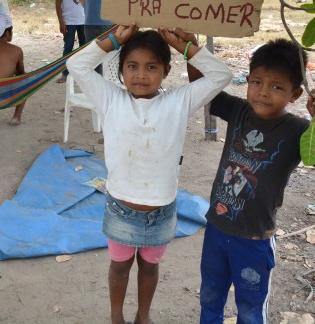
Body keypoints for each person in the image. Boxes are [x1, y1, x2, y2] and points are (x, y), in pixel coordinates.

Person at [67, 25, 232, 324]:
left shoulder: (178, 102)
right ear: (120, 71)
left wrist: (185, 47)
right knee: (119, 267)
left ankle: (143, 316)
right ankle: (116, 317)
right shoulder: (111, 99)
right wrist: (114, 39)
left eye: (151, 67)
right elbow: (75, 64)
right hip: (120, 208)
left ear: (166, 71)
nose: (140, 74)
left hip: (162, 211)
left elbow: (221, 75)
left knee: (150, 268)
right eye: (132, 66)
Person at [188, 37, 315, 323]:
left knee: (250, 309)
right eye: (257, 82)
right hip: (216, 227)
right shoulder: (239, 110)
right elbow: (202, 88)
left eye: (276, 86)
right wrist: (190, 49)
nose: (263, 93)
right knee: (210, 295)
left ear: (295, 94)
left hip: (254, 240)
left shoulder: (299, 131)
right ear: (248, 80)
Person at [75, 0, 114, 73]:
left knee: (110, 54)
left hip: (109, 22)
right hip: (89, 21)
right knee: (92, 54)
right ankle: (97, 80)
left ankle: (110, 82)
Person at [54, 0, 85, 83]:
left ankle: (83, 74)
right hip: (69, 21)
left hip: (84, 20)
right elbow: (58, 3)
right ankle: (65, 74)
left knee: (85, 48)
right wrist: (61, 22)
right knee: (68, 47)